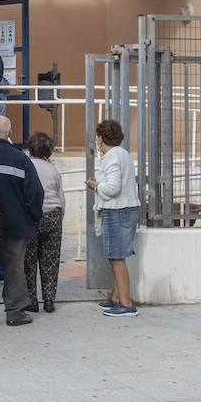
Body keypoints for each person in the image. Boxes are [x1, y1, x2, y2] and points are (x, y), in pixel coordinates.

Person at [0, 115, 43, 327]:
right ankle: (15, 313)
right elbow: (35, 192)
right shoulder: (21, 158)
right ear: (10, 134)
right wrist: (32, 218)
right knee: (14, 268)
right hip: (15, 224)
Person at [87, 119, 142, 318]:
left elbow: (112, 188)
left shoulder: (111, 157)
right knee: (118, 256)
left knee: (116, 258)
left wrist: (95, 185)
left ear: (101, 138)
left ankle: (126, 304)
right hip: (127, 209)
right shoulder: (123, 154)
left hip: (117, 211)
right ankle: (117, 299)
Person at [23, 132, 66, 313]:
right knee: (51, 260)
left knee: (29, 261)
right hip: (53, 215)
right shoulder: (53, 170)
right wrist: (59, 217)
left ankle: (31, 300)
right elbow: (61, 197)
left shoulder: (26, 166)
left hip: (31, 216)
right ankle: (49, 299)